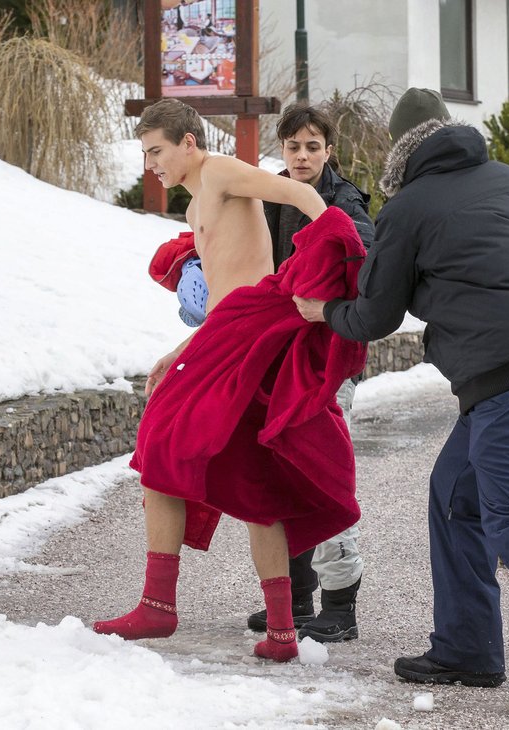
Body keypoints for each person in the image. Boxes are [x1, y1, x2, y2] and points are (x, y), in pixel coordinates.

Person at [294, 87, 509, 715]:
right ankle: (467, 647)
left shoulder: (408, 205)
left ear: (401, 152)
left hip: (506, 369)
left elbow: (376, 313)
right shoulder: (505, 177)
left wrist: (326, 311)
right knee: (455, 495)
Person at [93, 98, 368, 663]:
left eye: (156, 151)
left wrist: (331, 242)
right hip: (233, 330)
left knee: (159, 448)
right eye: (146, 154)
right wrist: (181, 348)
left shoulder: (216, 171)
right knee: (256, 480)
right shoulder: (199, 199)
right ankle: (284, 631)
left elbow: (295, 193)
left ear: (187, 143)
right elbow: (223, 293)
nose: (151, 165)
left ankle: (157, 607)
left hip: (249, 330)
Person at [244, 103, 375, 643]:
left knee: (323, 473)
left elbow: (364, 255)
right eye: (293, 146)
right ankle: (296, 597)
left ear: (328, 150)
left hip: (328, 360)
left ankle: (340, 604)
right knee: (282, 471)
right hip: (279, 354)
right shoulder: (271, 195)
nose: (302, 156)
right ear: (282, 148)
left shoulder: (345, 202)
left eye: (312, 146)